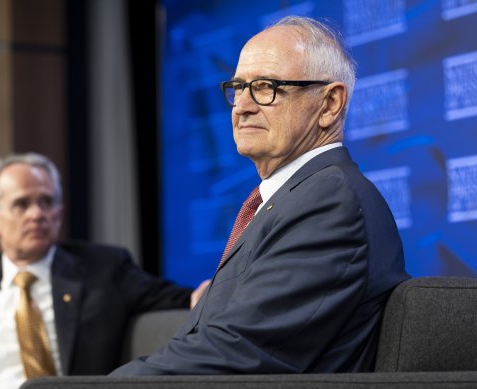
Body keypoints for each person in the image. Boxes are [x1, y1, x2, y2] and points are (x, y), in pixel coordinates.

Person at [111, 15, 410, 376]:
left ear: (330, 104)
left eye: (266, 87)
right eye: (238, 87)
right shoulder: (293, 197)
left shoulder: (329, 203)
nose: (242, 106)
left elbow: (237, 353)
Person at [0, 152, 205, 389]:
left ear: (60, 213)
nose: (38, 214)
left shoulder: (103, 269)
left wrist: (206, 295)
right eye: (22, 204)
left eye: (47, 202)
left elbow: (178, 298)